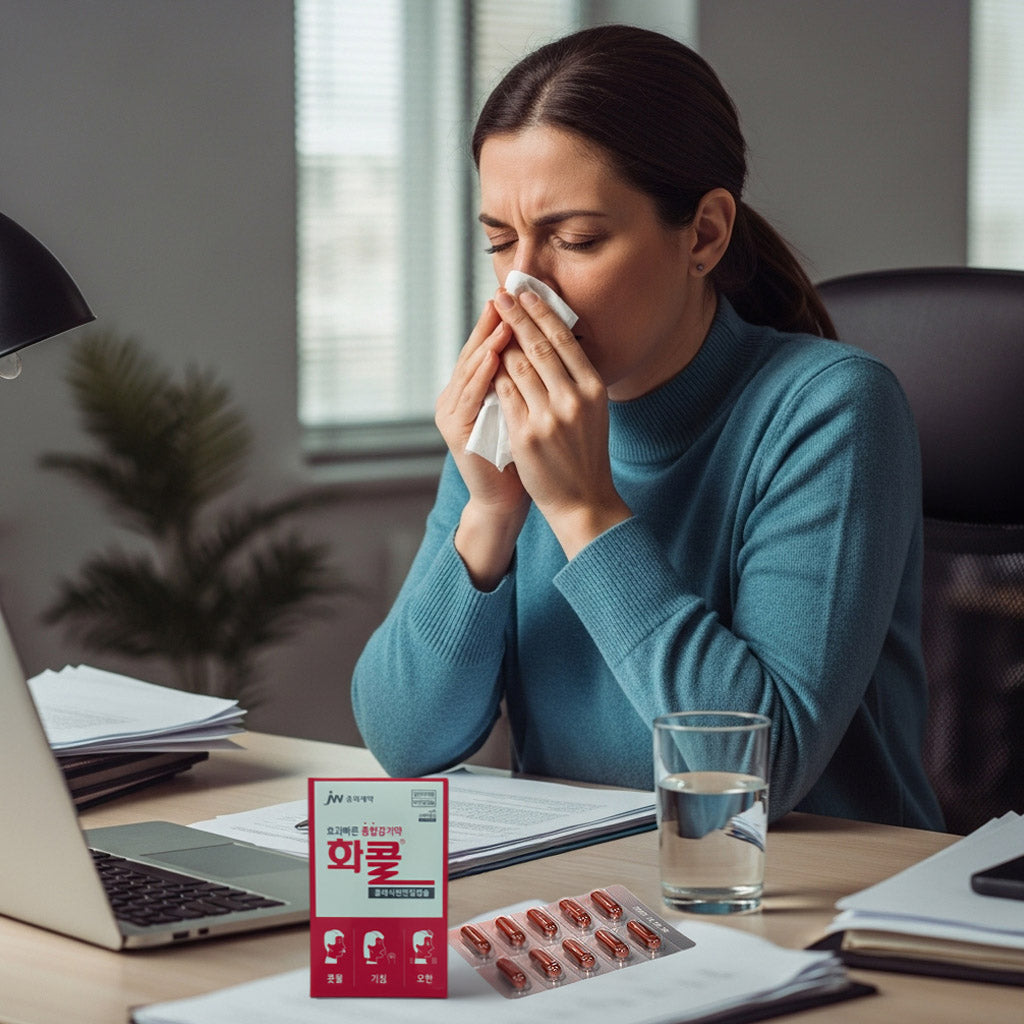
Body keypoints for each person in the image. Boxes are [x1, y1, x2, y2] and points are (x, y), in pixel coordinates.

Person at [351, 24, 944, 830]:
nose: (524, 288)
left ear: (704, 233)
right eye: (500, 242)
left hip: (809, 886)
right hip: (589, 885)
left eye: (576, 240)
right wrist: (488, 513)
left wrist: (584, 511)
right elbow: (403, 742)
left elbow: (752, 774)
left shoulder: (833, 408)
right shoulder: (512, 421)